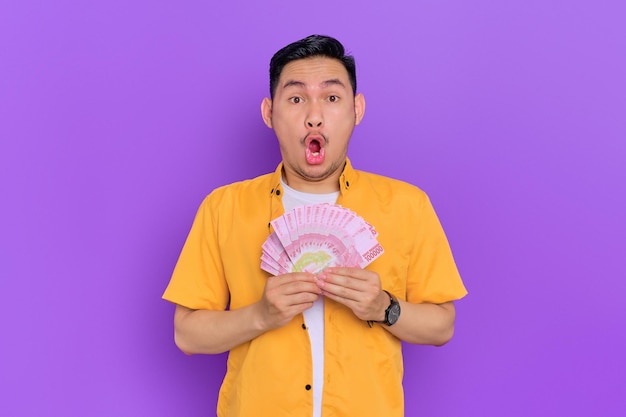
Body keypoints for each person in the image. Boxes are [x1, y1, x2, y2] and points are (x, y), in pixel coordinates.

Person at [163, 34, 467, 417]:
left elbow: (442, 326)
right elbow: (186, 334)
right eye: (295, 98)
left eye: (332, 97)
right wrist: (261, 315)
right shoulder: (223, 208)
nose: (314, 115)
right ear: (268, 112)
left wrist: (384, 307)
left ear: (357, 109)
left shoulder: (408, 205)